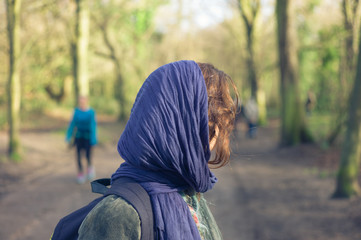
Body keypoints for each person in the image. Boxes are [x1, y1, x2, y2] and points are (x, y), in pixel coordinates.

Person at [77, 60, 238, 240]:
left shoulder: (189, 194)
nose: (215, 137)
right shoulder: (117, 217)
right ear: (180, 128)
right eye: (208, 126)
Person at [66, 96, 97, 184]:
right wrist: (68, 136)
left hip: (88, 137)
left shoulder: (91, 112)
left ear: (86, 101)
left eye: (83, 101)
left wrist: (93, 139)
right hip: (79, 137)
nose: (82, 103)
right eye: (81, 101)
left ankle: (90, 167)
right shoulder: (76, 111)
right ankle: (80, 173)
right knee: (78, 156)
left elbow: (93, 126)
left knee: (87, 156)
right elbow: (72, 124)